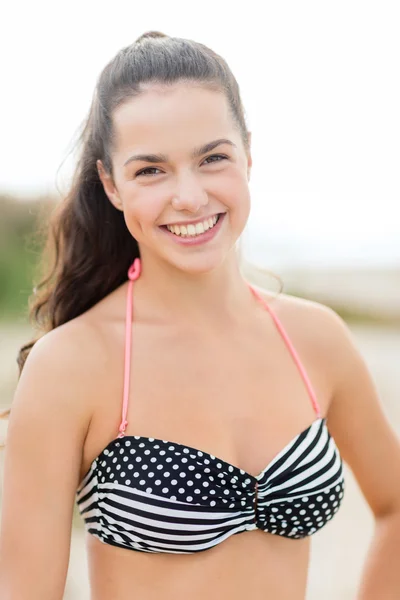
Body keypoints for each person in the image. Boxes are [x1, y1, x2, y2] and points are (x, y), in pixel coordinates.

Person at [0, 30, 399, 600]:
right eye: (151, 171)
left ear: (249, 155)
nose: (188, 196)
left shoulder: (314, 338)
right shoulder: (72, 364)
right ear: (111, 185)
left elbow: (394, 507)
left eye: (212, 158)